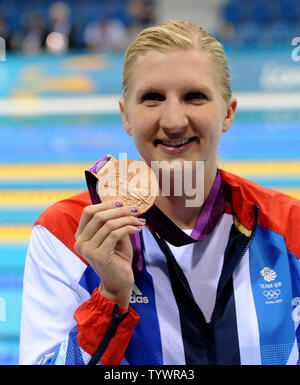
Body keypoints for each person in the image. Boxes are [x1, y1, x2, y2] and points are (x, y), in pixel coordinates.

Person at [19, 19, 300, 365]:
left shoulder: (289, 228)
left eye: (194, 97)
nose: (173, 121)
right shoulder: (64, 235)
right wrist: (109, 297)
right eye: (152, 98)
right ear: (126, 116)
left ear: (228, 113)